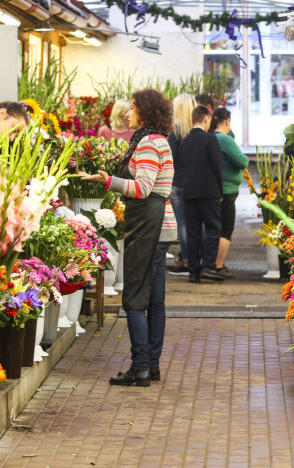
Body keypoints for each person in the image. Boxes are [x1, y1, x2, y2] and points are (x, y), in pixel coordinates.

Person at [81, 89, 175, 387]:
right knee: (154, 299)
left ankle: (139, 367)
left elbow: (144, 188)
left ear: (145, 112)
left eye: (132, 108)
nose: (126, 113)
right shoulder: (157, 139)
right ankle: (151, 365)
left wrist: (108, 181)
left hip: (149, 224)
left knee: (135, 297)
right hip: (160, 224)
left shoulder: (148, 143)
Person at [176, 105, 225, 283]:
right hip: (209, 191)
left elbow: (181, 166)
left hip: (189, 192)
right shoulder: (210, 139)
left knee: (193, 231)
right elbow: (217, 166)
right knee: (213, 228)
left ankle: (193, 271)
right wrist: (220, 190)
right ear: (205, 119)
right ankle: (208, 265)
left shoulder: (185, 141)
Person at [210, 107, 248, 278]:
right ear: (227, 121)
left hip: (215, 190)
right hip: (227, 190)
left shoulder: (210, 137)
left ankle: (213, 263)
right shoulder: (225, 139)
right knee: (226, 229)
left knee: (215, 228)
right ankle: (218, 266)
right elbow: (242, 161)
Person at [167, 93, 196, 273]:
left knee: (183, 224)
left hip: (177, 182)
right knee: (195, 223)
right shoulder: (198, 130)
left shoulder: (175, 132)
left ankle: (186, 260)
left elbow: (171, 159)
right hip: (195, 183)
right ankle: (191, 257)